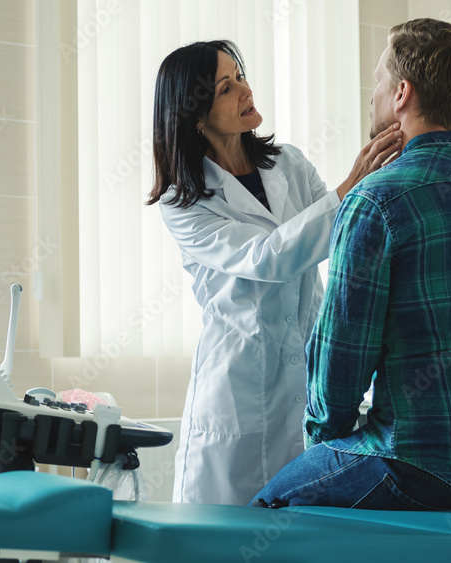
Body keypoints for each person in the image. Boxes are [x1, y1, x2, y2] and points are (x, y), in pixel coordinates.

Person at [252, 18, 451, 511]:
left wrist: (324, 446)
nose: (372, 94)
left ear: (402, 94)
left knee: (266, 508)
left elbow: (340, 365)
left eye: (378, 81)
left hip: (421, 469)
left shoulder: (376, 200)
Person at [148, 39, 402, 505]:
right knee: (219, 541)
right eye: (226, 88)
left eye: (240, 76)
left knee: (298, 536)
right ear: (196, 116)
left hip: (302, 380)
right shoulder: (184, 202)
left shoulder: (289, 163)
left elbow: (338, 236)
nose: (245, 91)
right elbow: (267, 257)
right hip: (235, 396)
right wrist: (351, 186)